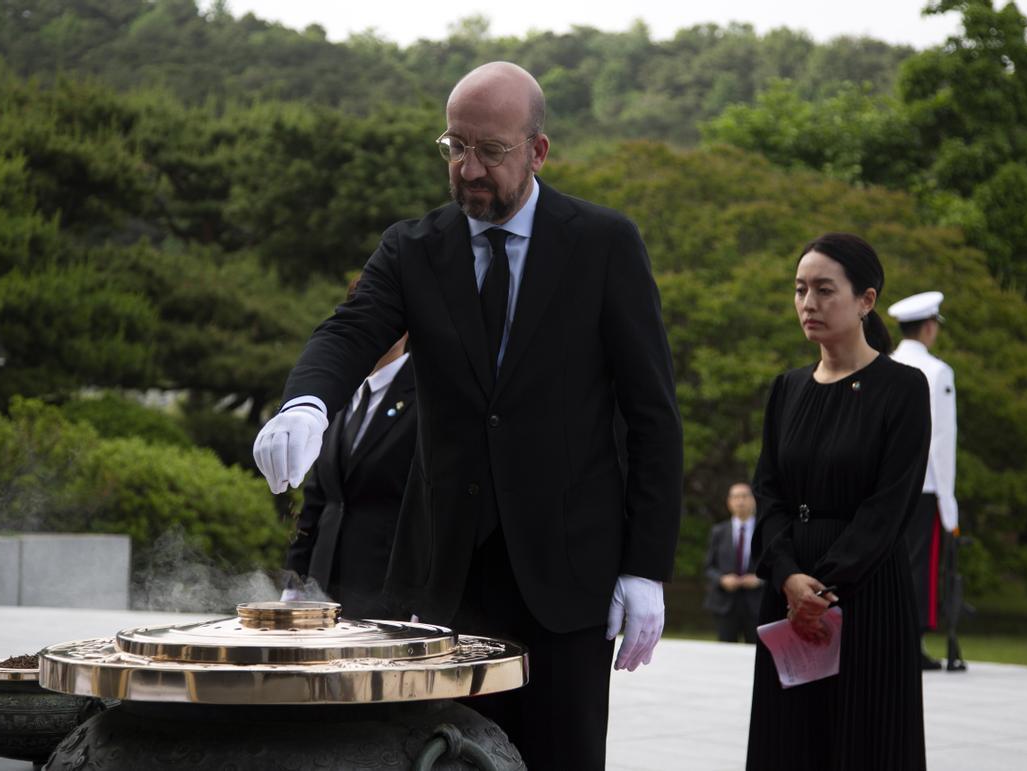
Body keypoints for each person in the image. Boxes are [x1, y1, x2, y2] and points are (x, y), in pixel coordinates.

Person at [253, 61, 683, 768]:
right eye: (455, 147)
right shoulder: (414, 248)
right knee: (439, 757)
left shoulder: (603, 245)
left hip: (565, 579)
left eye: (491, 150)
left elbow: (653, 416)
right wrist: (305, 402)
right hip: (438, 578)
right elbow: (350, 330)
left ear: (537, 151)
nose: (468, 168)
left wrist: (646, 567)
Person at [747, 233, 931, 770]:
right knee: (790, 742)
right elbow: (768, 491)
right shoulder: (787, 388)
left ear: (866, 300)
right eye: (801, 289)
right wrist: (788, 576)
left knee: (864, 740)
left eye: (825, 290)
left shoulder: (903, 388)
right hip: (789, 588)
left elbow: (890, 506)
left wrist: (824, 586)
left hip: (865, 591)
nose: (809, 303)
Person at [283, 281, 415, 619]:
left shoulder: (425, 395)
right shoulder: (336, 395)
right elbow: (317, 495)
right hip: (325, 583)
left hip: (387, 586)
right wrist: (295, 578)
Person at [888, 290, 965, 672]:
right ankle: (911, 641)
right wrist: (947, 502)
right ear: (930, 327)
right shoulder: (937, 371)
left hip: (885, 486)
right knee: (920, 564)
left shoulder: (882, 364)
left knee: (888, 560)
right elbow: (941, 440)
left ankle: (888, 638)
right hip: (924, 486)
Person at [703, 482, 764, 643]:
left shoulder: (763, 531)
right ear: (729, 502)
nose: (740, 501)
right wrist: (722, 579)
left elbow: (774, 565)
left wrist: (759, 579)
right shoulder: (719, 531)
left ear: (753, 501)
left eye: (745, 496)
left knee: (755, 654)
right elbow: (709, 567)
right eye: (736, 497)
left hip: (756, 604)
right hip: (725, 604)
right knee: (725, 655)